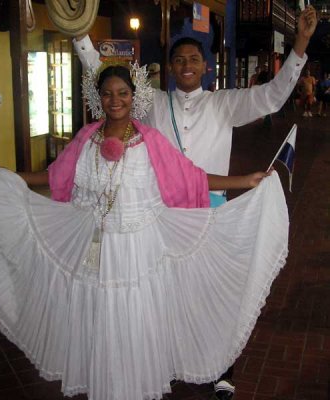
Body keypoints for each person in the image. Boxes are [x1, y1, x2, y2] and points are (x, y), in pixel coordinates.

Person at [0, 65, 288, 400]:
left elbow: (192, 179)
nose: (115, 100)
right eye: (107, 93)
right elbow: (53, 178)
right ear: (98, 97)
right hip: (93, 252)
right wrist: (7, 176)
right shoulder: (85, 140)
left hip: (138, 253)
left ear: (134, 97)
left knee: (133, 326)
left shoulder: (150, 141)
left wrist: (244, 181)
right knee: (98, 325)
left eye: (123, 93)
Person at [73, 7, 317, 398]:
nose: (186, 65)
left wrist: (301, 43)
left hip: (211, 214)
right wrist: (78, 32)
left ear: (205, 67)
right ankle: (170, 363)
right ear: (169, 67)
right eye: (178, 59)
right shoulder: (149, 103)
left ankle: (222, 370)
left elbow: (272, 96)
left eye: (193, 59)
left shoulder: (224, 104)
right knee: (167, 294)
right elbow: (103, 72)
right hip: (165, 216)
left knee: (215, 295)